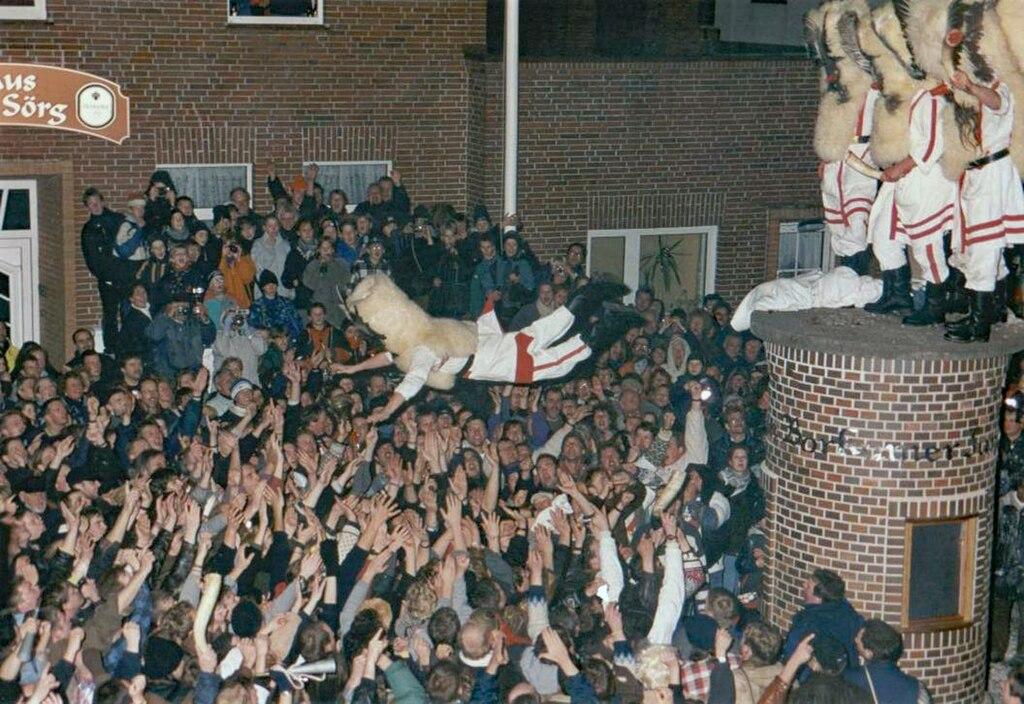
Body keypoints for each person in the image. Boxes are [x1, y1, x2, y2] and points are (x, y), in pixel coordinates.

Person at [336, 276, 638, 423]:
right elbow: (388, 357)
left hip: (511, 362)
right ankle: (595, 290)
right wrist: (352, 368)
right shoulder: (421, 332)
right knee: (558, 321)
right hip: (508, 341)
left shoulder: (424, 349)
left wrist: (387, 410)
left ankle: (611, 321)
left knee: (568, 359)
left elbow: (411, 382)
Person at [945, 70, 1024, 342]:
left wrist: (969, 85)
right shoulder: (973, 84)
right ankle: (995, 310)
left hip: (993, 174)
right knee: (978, 247)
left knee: (985, 247)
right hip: (974, 175)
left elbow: (997, 103)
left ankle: (979, 327)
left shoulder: (1002, 84)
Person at [783, 568, 865, 669]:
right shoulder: (850, 614)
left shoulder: (807, 623)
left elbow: (791, 655)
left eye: (808, 586)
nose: (803, 585)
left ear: (818, 598)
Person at [80, 188, 127, 352]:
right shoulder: (89, 230)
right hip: (107, 279)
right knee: (110, 315)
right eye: (91, 204)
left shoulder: (119, 220)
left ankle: (130, 347)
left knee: (129, 311)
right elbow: (91, 259)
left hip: (126, 275)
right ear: (87, 207)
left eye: (97, 202)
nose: (95, 206)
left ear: (103, 201)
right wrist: (105, 276)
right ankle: (112, 349)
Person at [845, 619, 930, 702]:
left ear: (869, 653)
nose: (855, 640)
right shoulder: (917, 688)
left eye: (858, 639)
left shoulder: (850, 679)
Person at [146, 298, 216, 378]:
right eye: (178, 305)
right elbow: (154, 336)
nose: (182, 308)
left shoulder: (194, 323)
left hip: (194, 373)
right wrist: (166, 315)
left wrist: (204, 317)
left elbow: (209, 338)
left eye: (185, 305)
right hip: (170, 374)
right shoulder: (162, 322)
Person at [248, 270, 303, 341]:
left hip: (287, 341)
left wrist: (291, 340)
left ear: (277, 286)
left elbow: (297, 324)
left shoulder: (286, 303)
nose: (271, 287)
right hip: (267, 344)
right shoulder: (256, 306)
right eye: (268, 285)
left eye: (273, 284)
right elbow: (253, 328)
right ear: (263, 287)